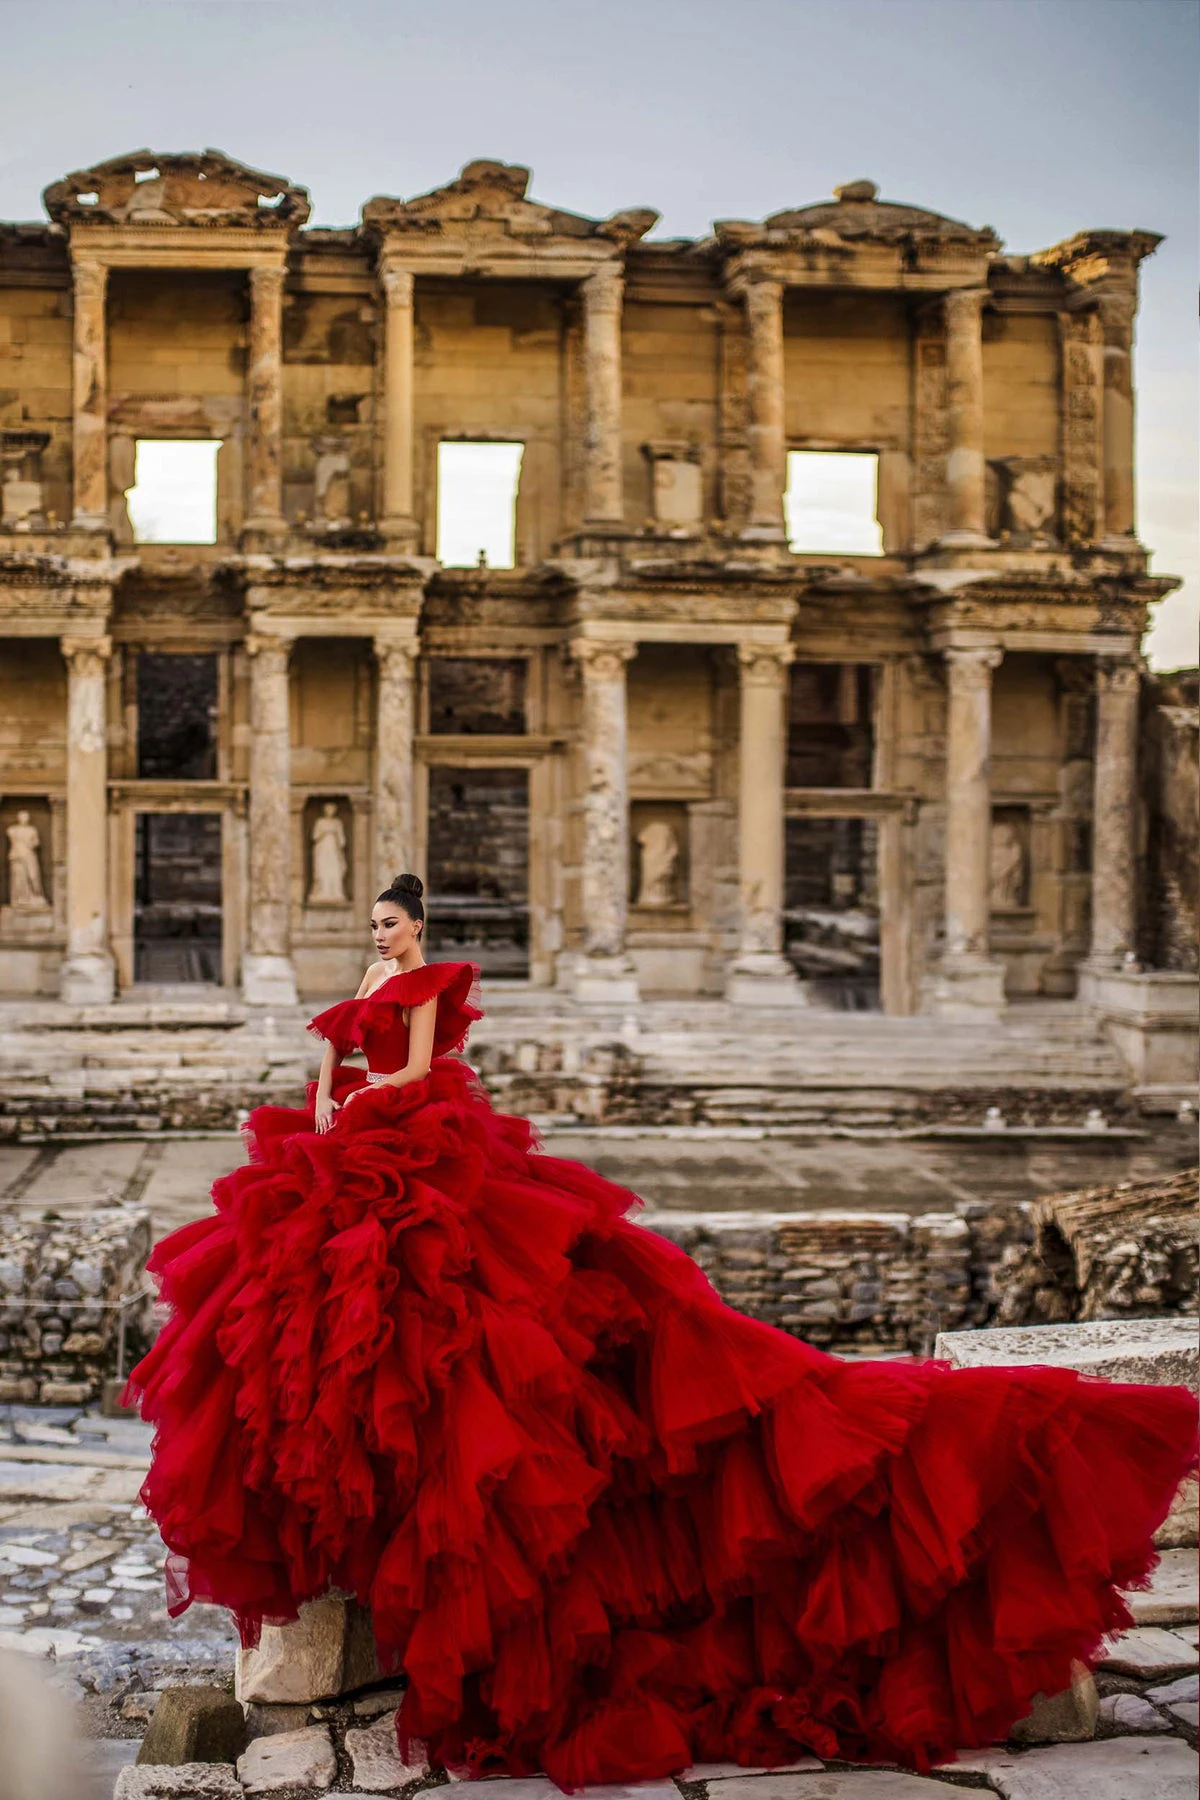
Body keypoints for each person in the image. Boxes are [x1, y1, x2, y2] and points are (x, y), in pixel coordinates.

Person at [125, 873, 1198, 1787]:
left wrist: (362, 1108)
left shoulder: (429, 987)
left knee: (474, 1329)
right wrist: (326, 1113)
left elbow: (407, 1070)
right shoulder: (368, 980)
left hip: (415, 1140)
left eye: (390, 922)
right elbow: (339, 1061)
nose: (379, 934)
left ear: (417, 927)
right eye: (371, 922)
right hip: (356, 1146)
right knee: (329, 1313)